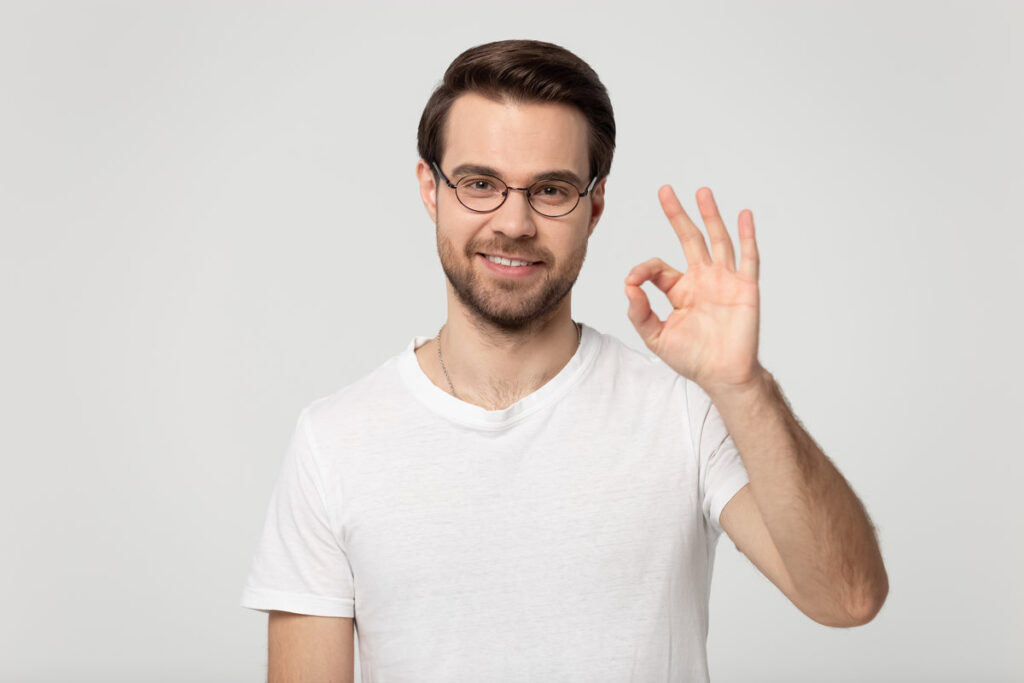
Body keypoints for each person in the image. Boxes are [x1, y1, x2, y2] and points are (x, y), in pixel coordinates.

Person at [240, 39, 888, 682]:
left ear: (595, 205)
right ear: (429, 189)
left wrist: (743, 386)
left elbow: (848, 596)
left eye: (550, 189)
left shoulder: (684, 411)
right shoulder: (334, 442)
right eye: (479, 183)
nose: (515, 222)